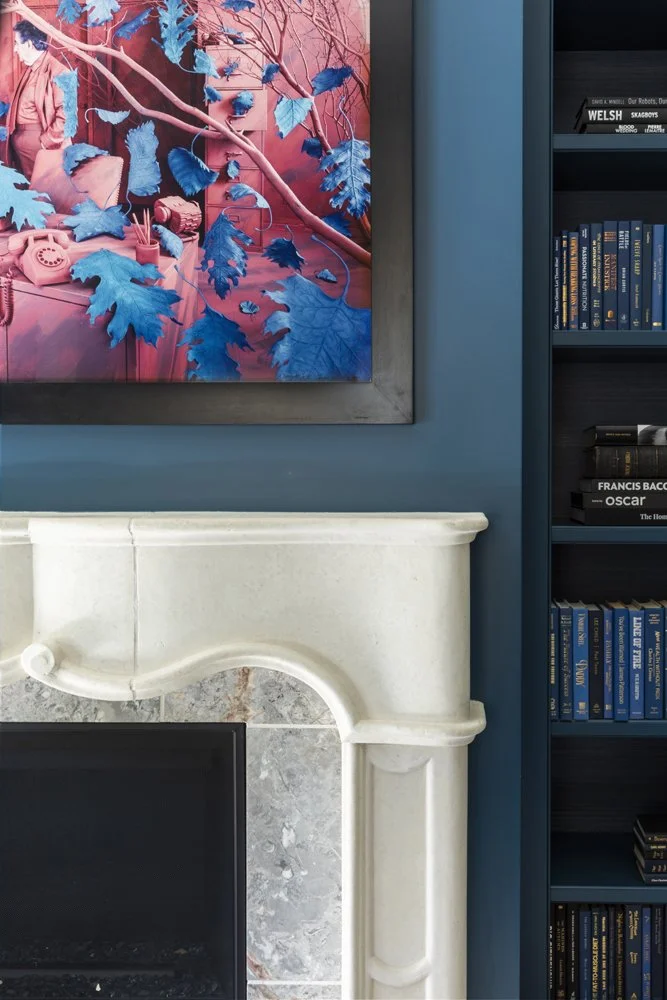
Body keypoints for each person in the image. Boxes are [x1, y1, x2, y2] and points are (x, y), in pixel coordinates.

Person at [6, 20, 71, 181]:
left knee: (43, 198)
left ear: (28, 44)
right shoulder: (30, 68)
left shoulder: (60, 72)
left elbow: (67, 117)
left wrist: (44, 143)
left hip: (42, 148)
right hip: (22, 149)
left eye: (16, 44)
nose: (14, 49)